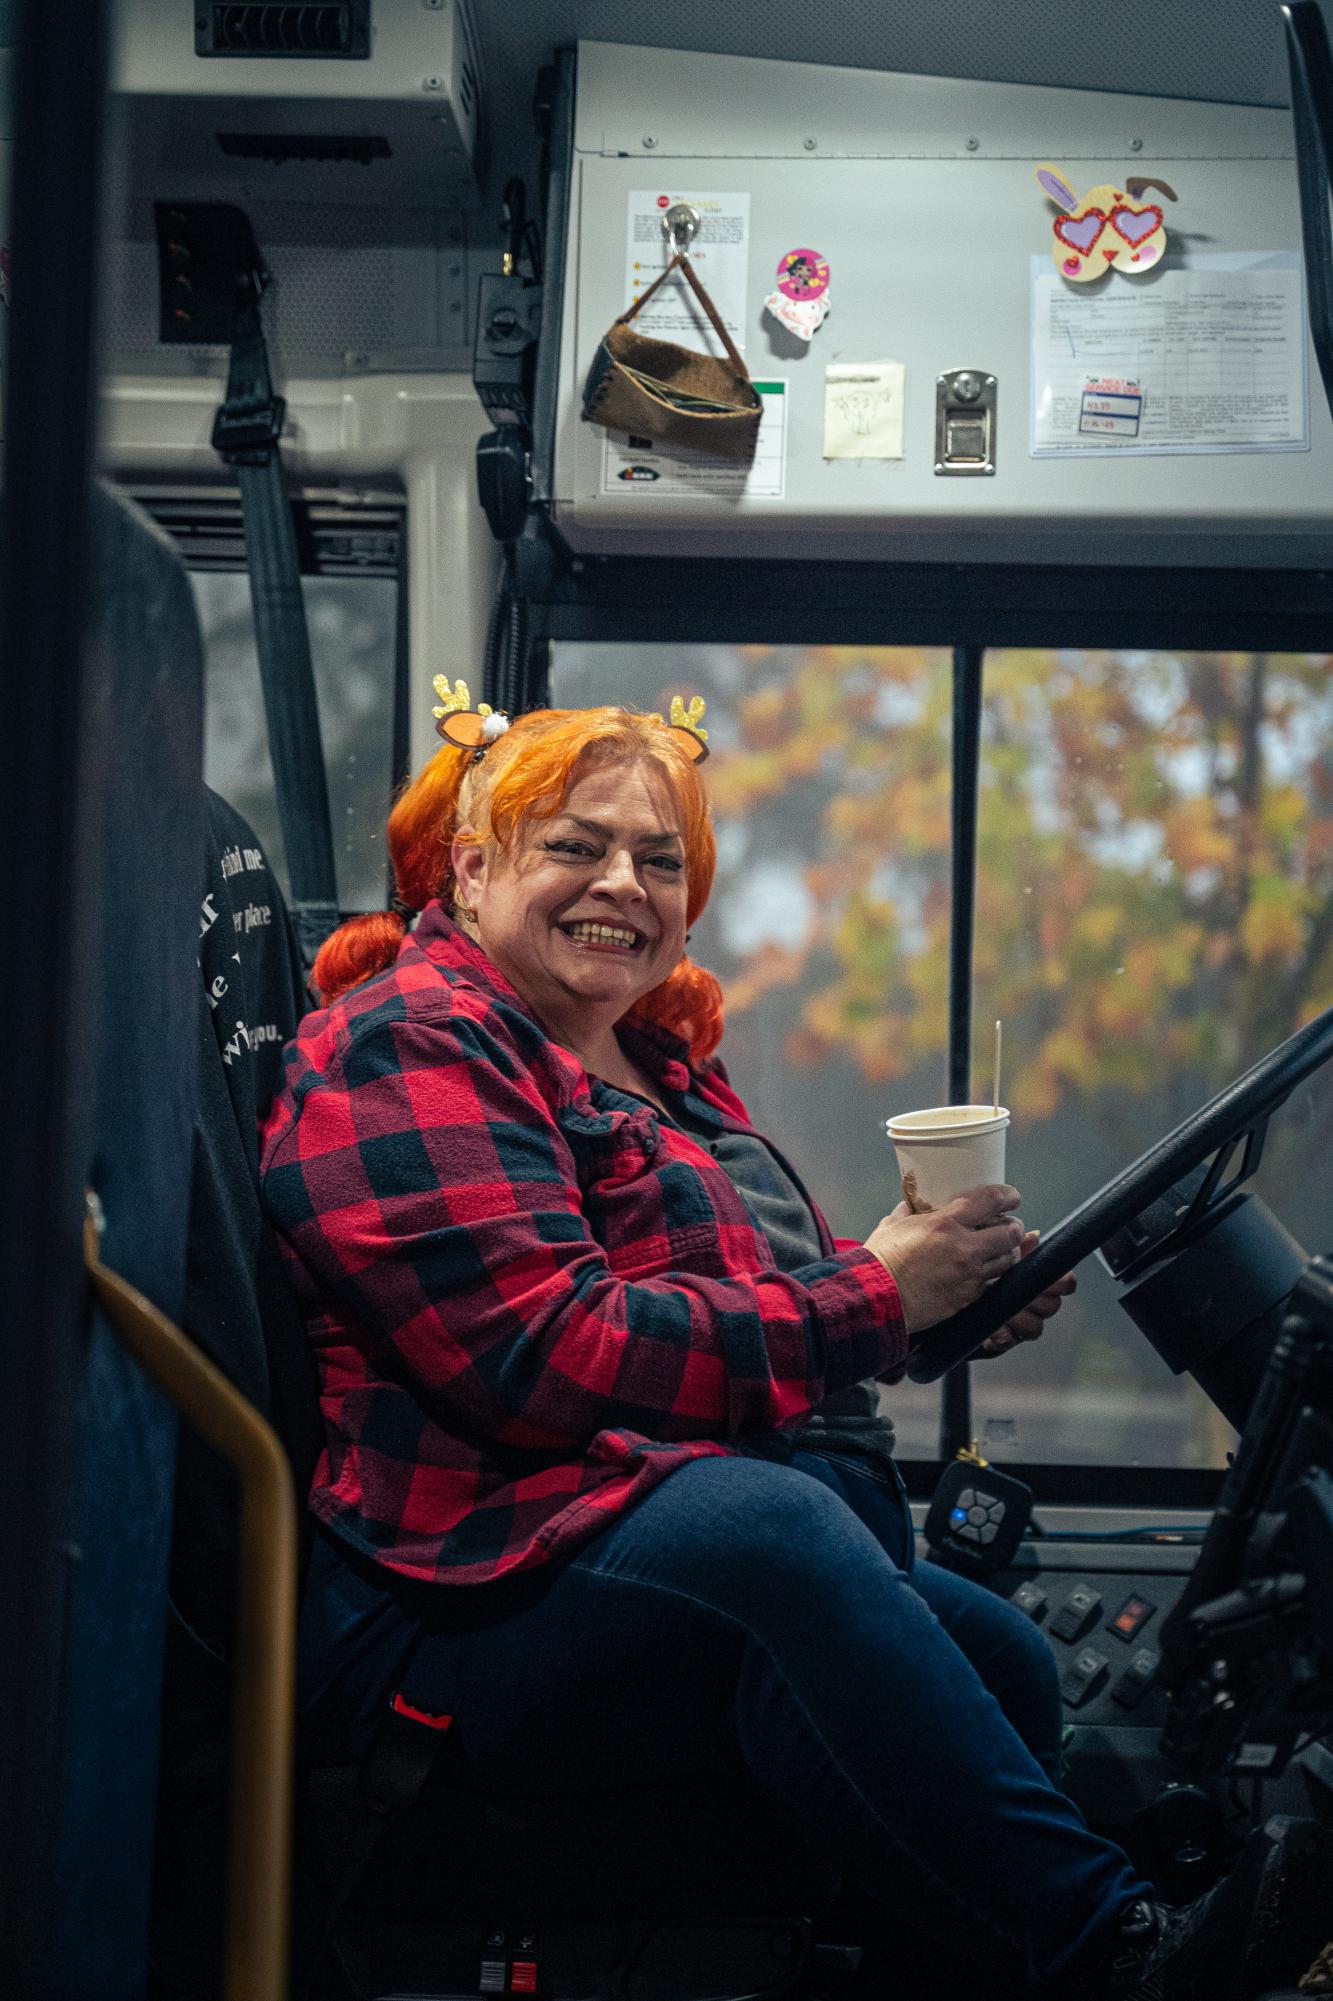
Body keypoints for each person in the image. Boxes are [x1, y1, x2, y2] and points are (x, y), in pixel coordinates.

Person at [261, 694, 1333, 2000]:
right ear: (475, 866)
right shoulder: (406, 1044)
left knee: (991, 1651)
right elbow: (546, 1355)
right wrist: (877, 1301)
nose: (624, 883)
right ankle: (1118, 1960)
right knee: (767, 1535)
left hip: (593, 1527)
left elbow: (743, 1308)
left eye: (660, 859)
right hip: (454, 1595)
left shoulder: (643, 1055)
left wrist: (929, 1299)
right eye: (575, 845)